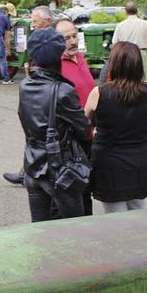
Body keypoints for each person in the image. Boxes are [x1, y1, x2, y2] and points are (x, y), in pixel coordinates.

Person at [18, 28, 91, 222]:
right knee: (73, 227)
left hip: (33, 166)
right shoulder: (63, 91)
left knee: (40, 227)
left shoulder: (25, 85)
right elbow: (84, 130)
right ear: (59, 53)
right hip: (60, 170)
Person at [84, 41, 147, 213]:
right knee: (137, 212)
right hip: (139, 160)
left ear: (113, 64)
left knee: (115, 217)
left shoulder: (99, 93)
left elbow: (83, 121)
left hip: (108, 162)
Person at [3, 5, 54, 185]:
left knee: (40, 136)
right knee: (33, 135)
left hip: (48, 92)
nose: (33, 24)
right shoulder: (40, 35)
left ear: (47, 20)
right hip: (38, 88)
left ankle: (31, 173)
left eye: (35, 21)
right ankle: (26, 172)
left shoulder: (53, 39)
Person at [55, 18, 96, 215]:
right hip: (72, 137)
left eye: (74, 36)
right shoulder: (55, 65)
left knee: (87, 188)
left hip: (90, 132)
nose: (72, 42)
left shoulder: (80, 58)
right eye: (66, 38)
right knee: (74, 190)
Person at [112, 1, 147, 83]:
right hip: (141, 53)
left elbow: (115, 43)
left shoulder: (120, 25)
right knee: (145, 80)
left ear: (125, 12)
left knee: (126, 79)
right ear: (137, 11)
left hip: (125, 54)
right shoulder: (145, 24)